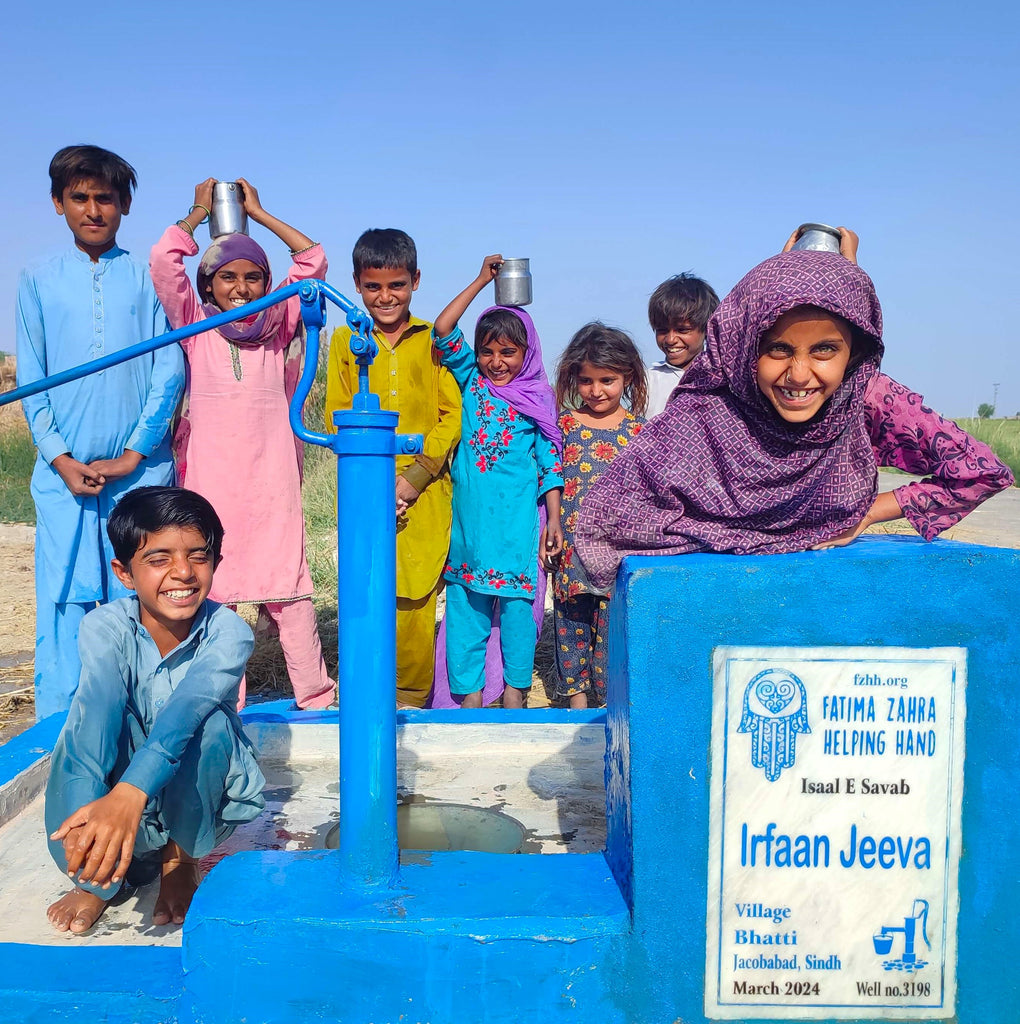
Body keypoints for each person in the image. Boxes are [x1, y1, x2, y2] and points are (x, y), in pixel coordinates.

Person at [576, 249, 1014, 590]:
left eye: (824, 349)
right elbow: (615, 514)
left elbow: (978, 472)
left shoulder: (865, 398)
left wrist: (866, 515)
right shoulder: (709, 408)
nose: (799, 375)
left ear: (855, 352)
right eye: (778, 349)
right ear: (744, 347)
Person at [45, 486, 265, 935]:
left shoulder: (229, 632)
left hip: (193, 793)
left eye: (198, 556)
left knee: (207, 723)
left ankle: (179, 860)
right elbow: (96, 728)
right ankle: (96, 874)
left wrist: (130, 792)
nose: (182, 573)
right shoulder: (103, 627)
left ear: (216, 564)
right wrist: (108, 810)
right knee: (90, 717)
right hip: (115, 797)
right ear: (124, 573)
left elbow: (186, 708)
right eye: (159, 559)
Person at [149, 178, 335, 710]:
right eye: (227, 277)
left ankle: (315, 696)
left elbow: (314, 261)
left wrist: (259, 211)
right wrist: (198, 211)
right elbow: (165, 261)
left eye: (254, 277)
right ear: (207, 285)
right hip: (213, 481)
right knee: (220, 591)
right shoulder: (194, 324)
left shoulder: (279, 324)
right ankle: (224, 701)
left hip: (272, 478)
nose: (241, 287)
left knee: (289, 588)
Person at [16, 145, 184, 720]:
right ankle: (62, 735)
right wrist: (61, 458)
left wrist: (134, 454)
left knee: (145, 599)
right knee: (66, 604)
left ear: (125, 204)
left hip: (139, 474)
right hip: (65, 480)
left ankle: (146, 732)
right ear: (58, 203)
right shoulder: (36, 279)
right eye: (80, 198)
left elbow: (169, 368)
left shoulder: (148, 277)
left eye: (105, 198)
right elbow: (31, 380)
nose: (93, 210)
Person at [325, 229, 461, 708]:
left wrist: (413, 480)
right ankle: (366, 694)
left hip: (425, 491)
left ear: (416, 281)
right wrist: (380, 483)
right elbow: (337, 415)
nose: (386, 297)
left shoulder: (432, 340)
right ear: (358, 285)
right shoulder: (347, 340)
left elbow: (451, 417)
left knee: (416, 595)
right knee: (368, 588)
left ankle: (409, 704)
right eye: (373, 287)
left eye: (397, 285)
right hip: (367, 484)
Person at [430, 255, 564, 709]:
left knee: (518, 623)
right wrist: (479, 280)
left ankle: (514, 700)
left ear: (527, 353)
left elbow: (550, 463)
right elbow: (444, 330)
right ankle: (468, 708)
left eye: (508, 352)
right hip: (470, 532)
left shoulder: (538, 398)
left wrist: (555, 521)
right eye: (488, 350)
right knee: (466, 619)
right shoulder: (472, 384)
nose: (496, 361)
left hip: (517, 530)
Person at [552, 323, 647, 708]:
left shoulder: (640, 431)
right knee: (571, 622)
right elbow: (552, 478)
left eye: (607, 380)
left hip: (617, 549)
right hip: (572, 548)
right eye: (586, 380)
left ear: (628, 376)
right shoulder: (564, 425)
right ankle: (577, 706)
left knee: (611, 627)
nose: (596, 391)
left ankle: (608, 707)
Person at [644, 272, 720, 418]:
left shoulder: (719, 378)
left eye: (683, 330)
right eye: (662, 330)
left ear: (706, 329)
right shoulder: (647, 382)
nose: (671, 339)